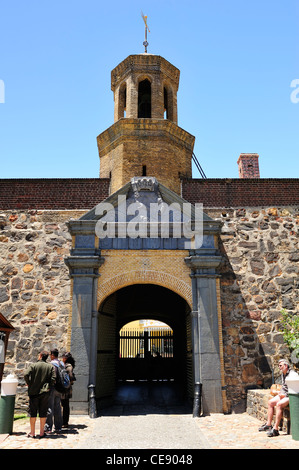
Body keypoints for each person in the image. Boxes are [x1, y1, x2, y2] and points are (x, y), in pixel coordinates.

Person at [259, 359, 297, 437]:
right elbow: (284, 387)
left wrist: (286, 395)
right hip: (284, 394)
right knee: (270, 402)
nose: (279, 367)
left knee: (279, 404)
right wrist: (280, 393)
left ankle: (275, 429)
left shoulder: (292, 375)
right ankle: (268, 425)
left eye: (280, 366)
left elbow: (296, 388)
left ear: (286, 366)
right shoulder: (284, 373)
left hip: (291, 395)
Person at [24, 351, 56, 439]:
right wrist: (49, 385)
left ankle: (32, 432)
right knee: (43, 412)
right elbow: (53, 378)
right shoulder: (50, 366)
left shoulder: (33, 365)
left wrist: (29, 383)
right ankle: (42, 432)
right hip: (45, 392)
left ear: (41, 356)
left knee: (33, 412)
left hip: (33, 391)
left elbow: (26, 374)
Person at [44, 348, 63, 434]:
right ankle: (58, 427)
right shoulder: (61, 363)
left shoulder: (51, 365)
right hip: (60, 388)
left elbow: (50, 377)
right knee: (58, 407)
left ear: (52, 355)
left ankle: (48, 427)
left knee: (49, 407)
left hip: (52, 388)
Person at [60, 352, 76, 428]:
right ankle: (63, 421)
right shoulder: (66, 365)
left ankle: (65, 422)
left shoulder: (68, 366)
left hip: (66, 388)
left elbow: (71, 377)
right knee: (64, 405)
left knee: (65, 405)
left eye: (63, 357)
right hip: (65, 388)